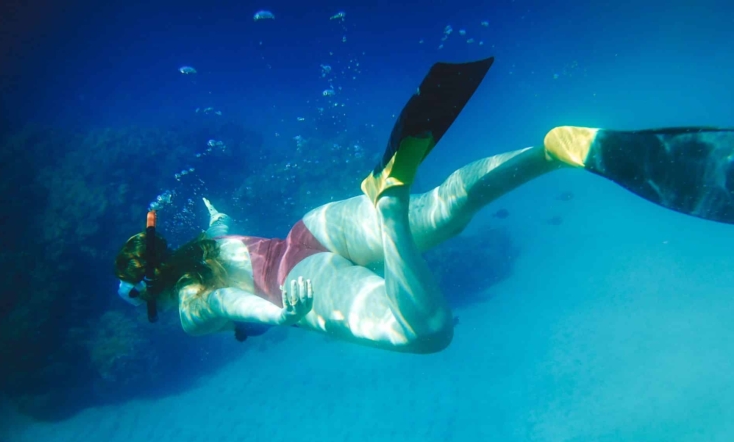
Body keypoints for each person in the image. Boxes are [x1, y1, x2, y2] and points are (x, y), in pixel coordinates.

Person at [115, 57, 734, 354]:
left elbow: (228, 303)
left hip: (295, 280)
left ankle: (388, 209)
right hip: (306, 230)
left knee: (427, 332)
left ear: (148, 291)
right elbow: (221, 225)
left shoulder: (189, 307)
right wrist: (208, 208)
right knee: (442, 208)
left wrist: (288, 318)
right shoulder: (203, 246)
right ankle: (548, 152)